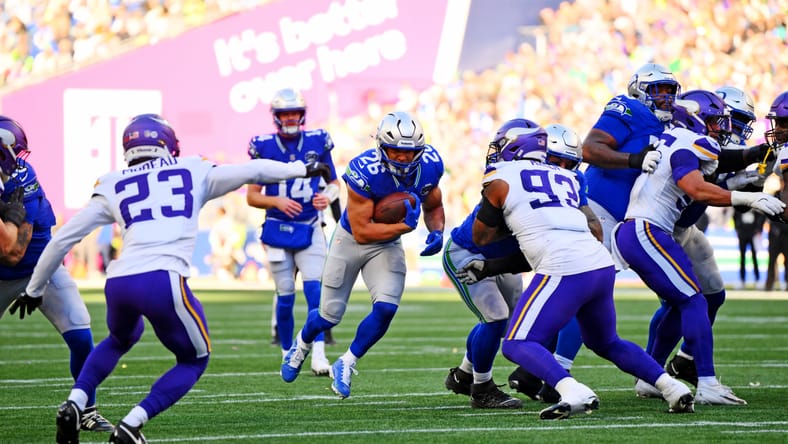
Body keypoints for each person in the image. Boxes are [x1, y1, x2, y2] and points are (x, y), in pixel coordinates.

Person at [11, 113, 330, 444]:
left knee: (119, 339)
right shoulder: (193, 168)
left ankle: (76, 403)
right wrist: (303, 169)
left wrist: (35, 289)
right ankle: (132, 424)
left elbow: (64, 239)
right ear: (166, 144)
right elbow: (255, 170)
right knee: (194, 359)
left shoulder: (112, 182)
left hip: (119, 281)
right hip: (161, 279)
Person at [470, 119, 695, 420]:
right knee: (605, 341)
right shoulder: (568, 177)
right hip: (598, 263)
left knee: (516, 343)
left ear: (513, 149)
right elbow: (593, 226)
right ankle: (671, 387)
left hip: (564, 265)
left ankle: (571, 389)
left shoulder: (500, 176)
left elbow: (480, 237)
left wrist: (515, 226)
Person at [505, 63, 681, 399]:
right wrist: (633, 160)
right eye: (658, 89)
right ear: (640, 90)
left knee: (586, 306)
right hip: (599, 208)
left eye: (670, 90)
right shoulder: (628, 108)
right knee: (582, 291)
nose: (665, 96)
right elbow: (591, 148)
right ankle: (555, 372)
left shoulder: (671, 123)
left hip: (627, 217)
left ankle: (535, 371)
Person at [611, 90, 785, 406]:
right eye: (714, 121)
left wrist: (756, 155)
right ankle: (705, 382)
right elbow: (695, 187)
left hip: (646, 230)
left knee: (692, 300)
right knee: (694, 300)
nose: (720, 128)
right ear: (695, 117)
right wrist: (748, 197)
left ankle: (654, 376)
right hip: (649, 230)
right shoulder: (685, 142)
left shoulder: (678, 139)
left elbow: (723, 160)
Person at [279, 111, 445, 399]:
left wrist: (437, 231)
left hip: (388, 242)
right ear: (381, 147)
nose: (404, 158)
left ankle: (347, 361)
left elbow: (433, 204)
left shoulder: (430, 165)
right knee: (329, 316)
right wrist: (404, 227)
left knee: (387, 308)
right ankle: (302, 343)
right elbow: (362, 230)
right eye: (396, 151)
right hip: (350, 240)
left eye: (410, 152)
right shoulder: (364, 169)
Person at [651, 86, 774, 388]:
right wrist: (738, 182)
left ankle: (685, 361)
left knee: (713, 295)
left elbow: (714, 175)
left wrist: (741, 178)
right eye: (737, 118)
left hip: (685, 229)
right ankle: (651, 369)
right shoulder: (693, 140)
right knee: (678, 302)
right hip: (661, 227)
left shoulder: (712, 144)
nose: (739, 128)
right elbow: (696, 187)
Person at [0, 116, 114, 435]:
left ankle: (86, 409)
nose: (15, 162)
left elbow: (14, 252)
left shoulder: (22, 178)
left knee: (81, 336)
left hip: (39, 268)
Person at [441, 119, 545, 409]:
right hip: (469, 252)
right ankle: (482, 387)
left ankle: (464, 374)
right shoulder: (504, 180)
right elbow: (481, 236)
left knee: (509, 323)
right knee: (495, 317)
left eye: (502, 146)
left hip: (498, 259)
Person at [247, 88, 340, 373]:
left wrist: (329, 197)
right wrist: (275, 200)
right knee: (285, 296)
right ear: (276, 117)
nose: (290, 118)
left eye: (294, 113)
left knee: (316, 293)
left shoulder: (317, 140)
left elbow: (334, 183)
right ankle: (288, 353)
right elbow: (252, 195)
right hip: (277, 229)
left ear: (302, 115)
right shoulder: (264, 146)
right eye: (284, 113)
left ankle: (318, 354)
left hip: (311, 226)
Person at [732, 208, 766, 288]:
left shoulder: (755, 207)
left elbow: (761, 217)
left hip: (752, 234)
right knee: (742, 257)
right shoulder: (739, 207)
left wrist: (758, 229)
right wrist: (737, 229)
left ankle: (757, 279)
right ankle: (742, 280)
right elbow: (735, 217)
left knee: (754, 257)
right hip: (742, 234)